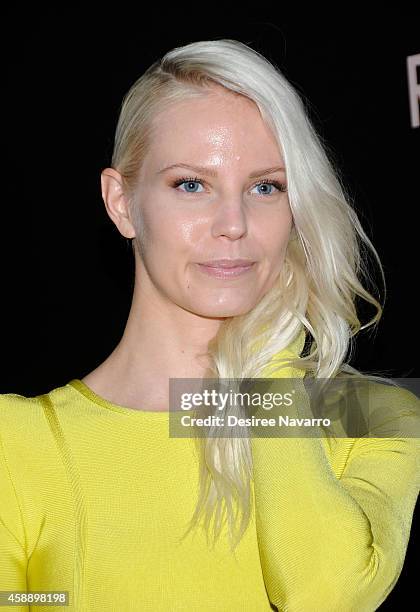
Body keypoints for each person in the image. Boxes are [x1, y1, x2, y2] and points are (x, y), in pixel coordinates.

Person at [1, 38, 419, 612]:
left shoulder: (378, 416)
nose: (234, 223)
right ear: (121, 203)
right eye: (191, 184)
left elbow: (325, 595)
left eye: (265, 187)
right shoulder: (18, 443)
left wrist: (267, 363)